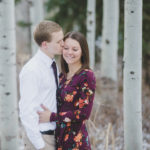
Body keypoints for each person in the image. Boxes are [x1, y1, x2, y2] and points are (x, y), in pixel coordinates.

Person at [38, 31, 96, 150]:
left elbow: (83, 113)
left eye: (75, 49)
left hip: (75, 141)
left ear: (82, 52)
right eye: (66, 48)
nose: (69, 52)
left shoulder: (86, 76)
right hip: (59, 138)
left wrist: (52, 117)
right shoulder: (62, 76)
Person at [19, 20, 64, 150]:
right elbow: (26, 110)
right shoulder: (32, 70)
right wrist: (40, 145)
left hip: (54, 135)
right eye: (58, 41)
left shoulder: (52, 64)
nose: (63, 44)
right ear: (45, 44)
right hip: (41, 137)